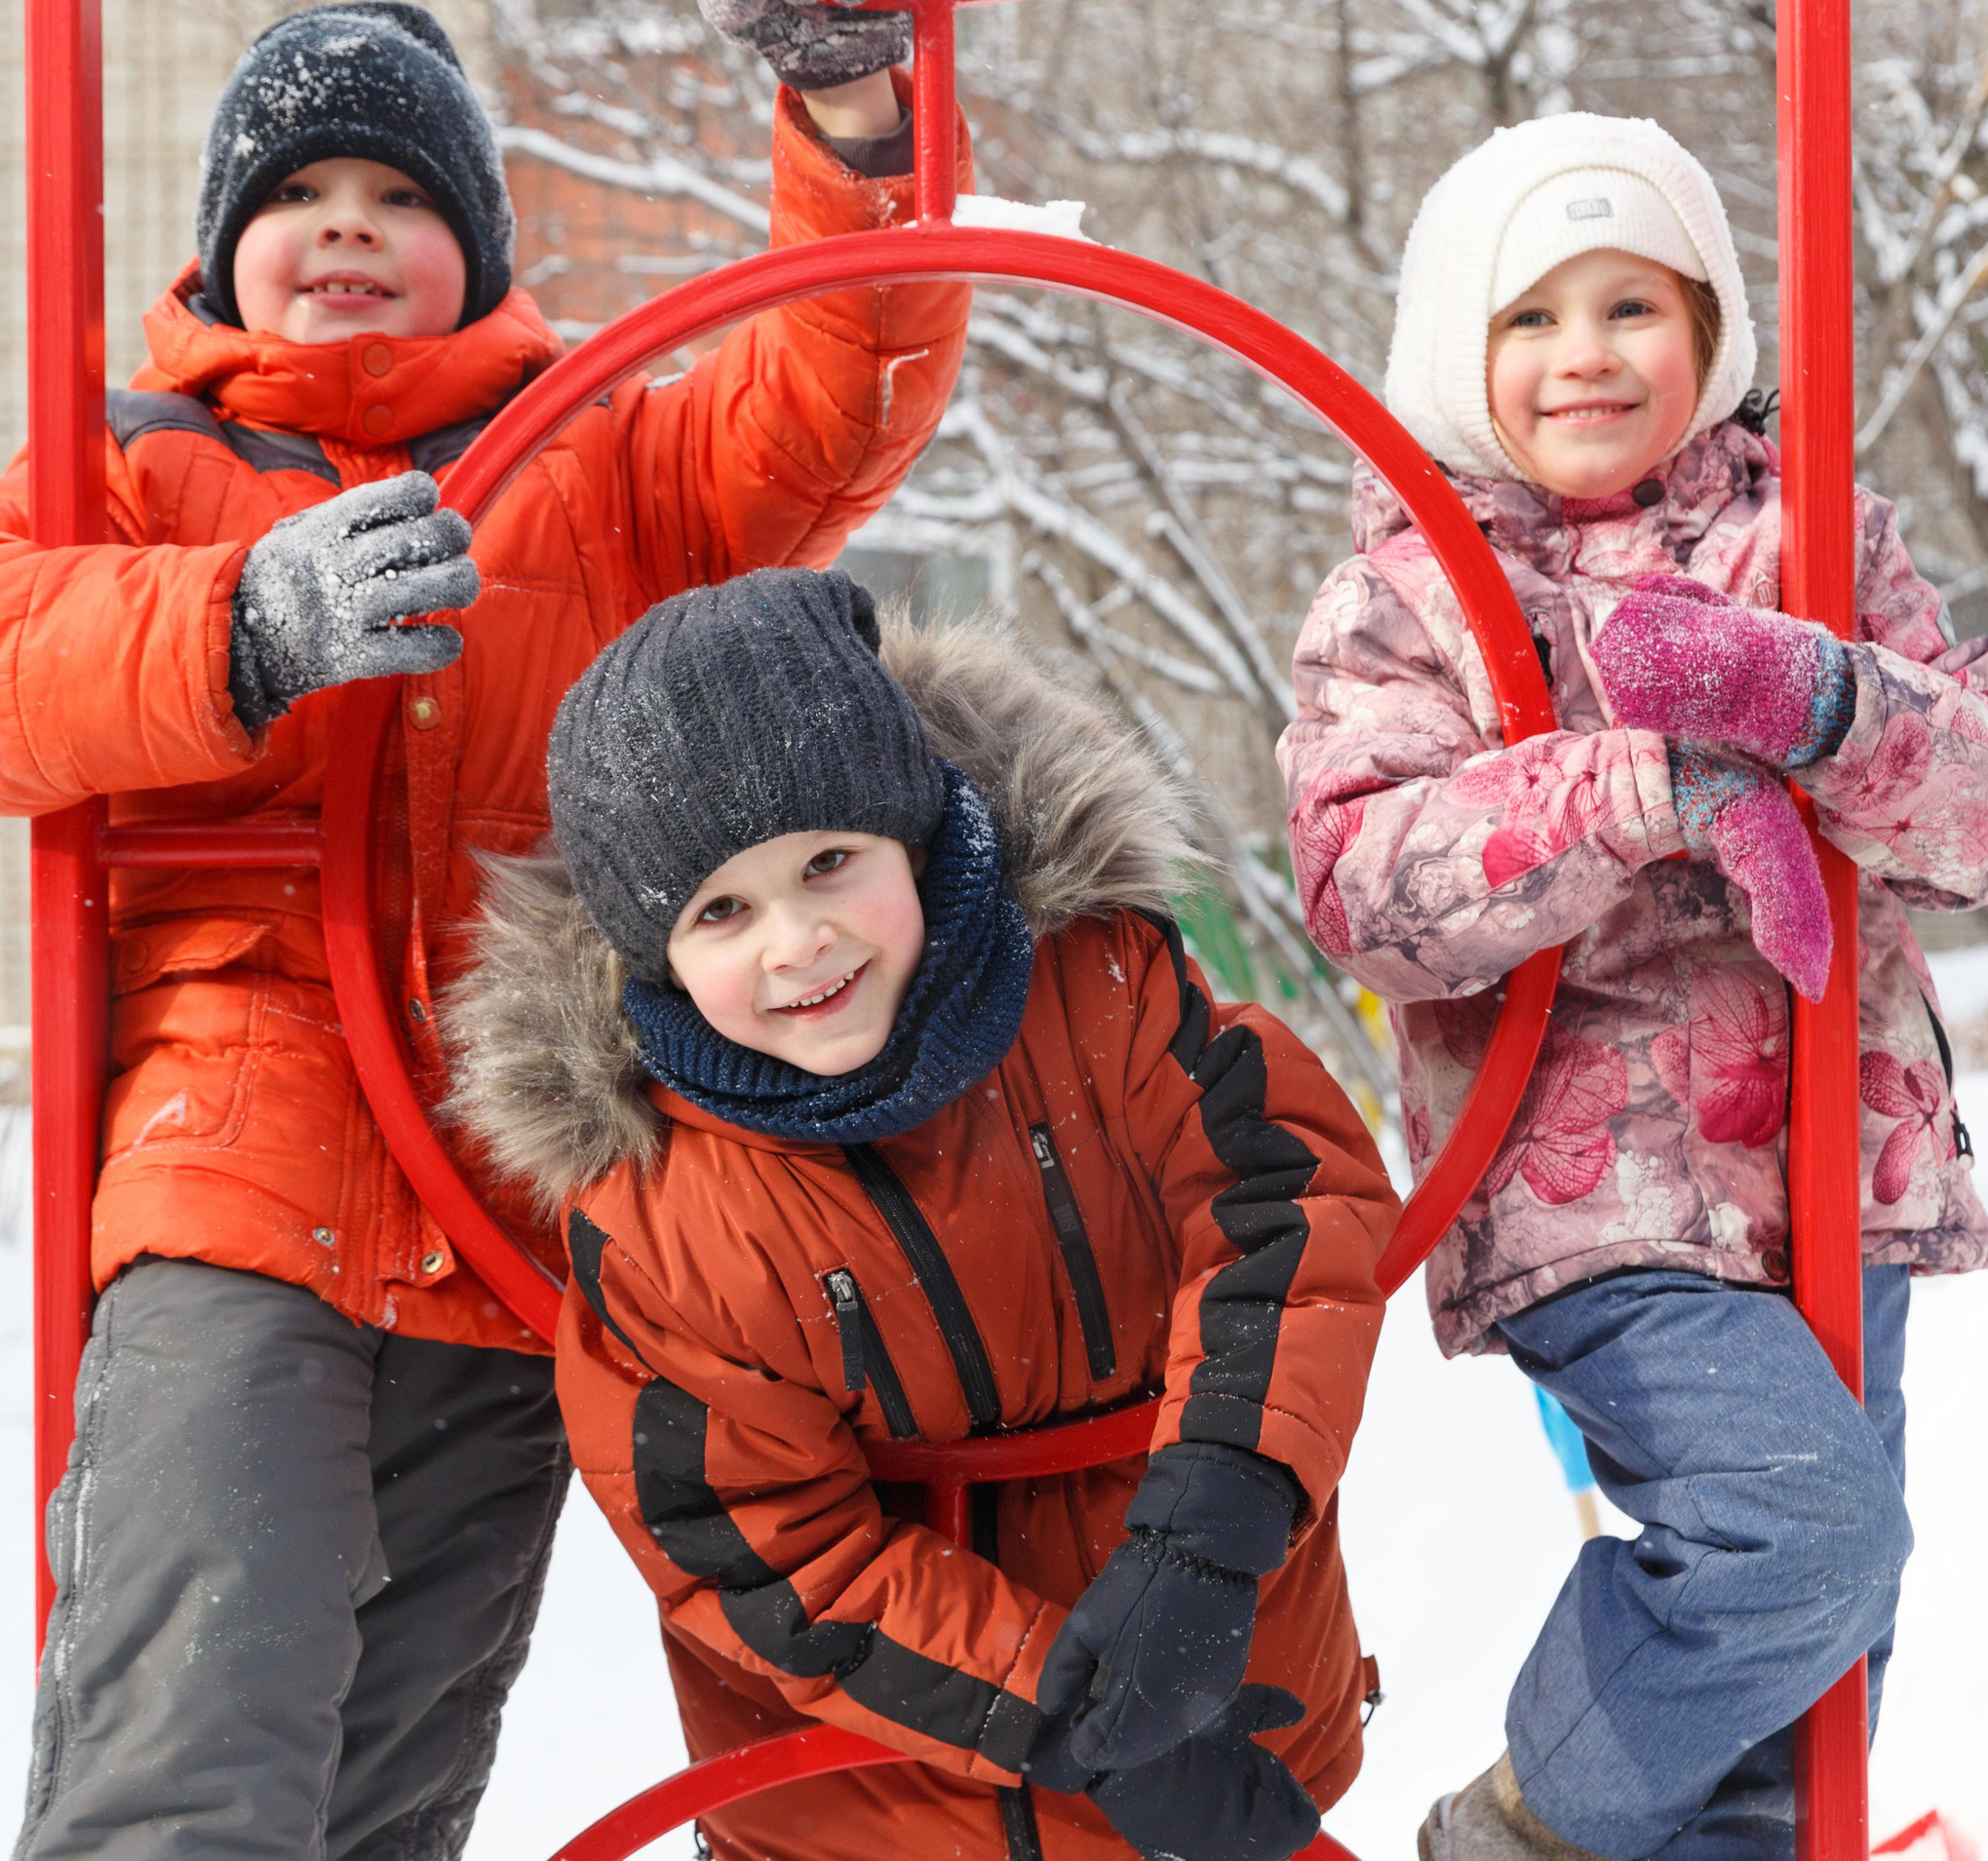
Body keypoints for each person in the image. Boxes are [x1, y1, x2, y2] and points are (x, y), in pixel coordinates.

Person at [0, 0, 970, 1857]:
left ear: (481, 256)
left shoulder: (605, 460)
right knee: (199, 1723)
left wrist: (857, 115)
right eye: (301, 190)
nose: (348, 223)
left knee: (389, 1776)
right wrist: (233, 626)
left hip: (511, 1210)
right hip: (233, 1177)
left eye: (403, 194)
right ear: (224, 251)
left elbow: (832, 396)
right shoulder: (136, 466)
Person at [1276, 113, 1988, 1861]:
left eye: (1630, 302)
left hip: (1840, 1166)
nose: (1586, 353)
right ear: (1453, 357)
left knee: (1814, 1692)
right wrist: (1629, 784)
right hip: (1599, 1187)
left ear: (1709, 331)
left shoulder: (1817, 551)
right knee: (1798, 1531)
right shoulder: (1411, 597)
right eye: (1530, 317)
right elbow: (1365, 882)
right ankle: (1516, 1821)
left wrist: (1825, 709)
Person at [445, 569, 1402, 1861]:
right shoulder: (668, 1219)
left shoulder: (1097, 992)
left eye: (832, 862)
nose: (799, 942)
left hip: (1216, 1715)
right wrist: (1069, 1718)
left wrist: (1214, 1525)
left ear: (921, 831)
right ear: (649, 954)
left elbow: (1287, 1204)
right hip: (871, 1818)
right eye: (722, 910)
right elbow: (774, 1559)